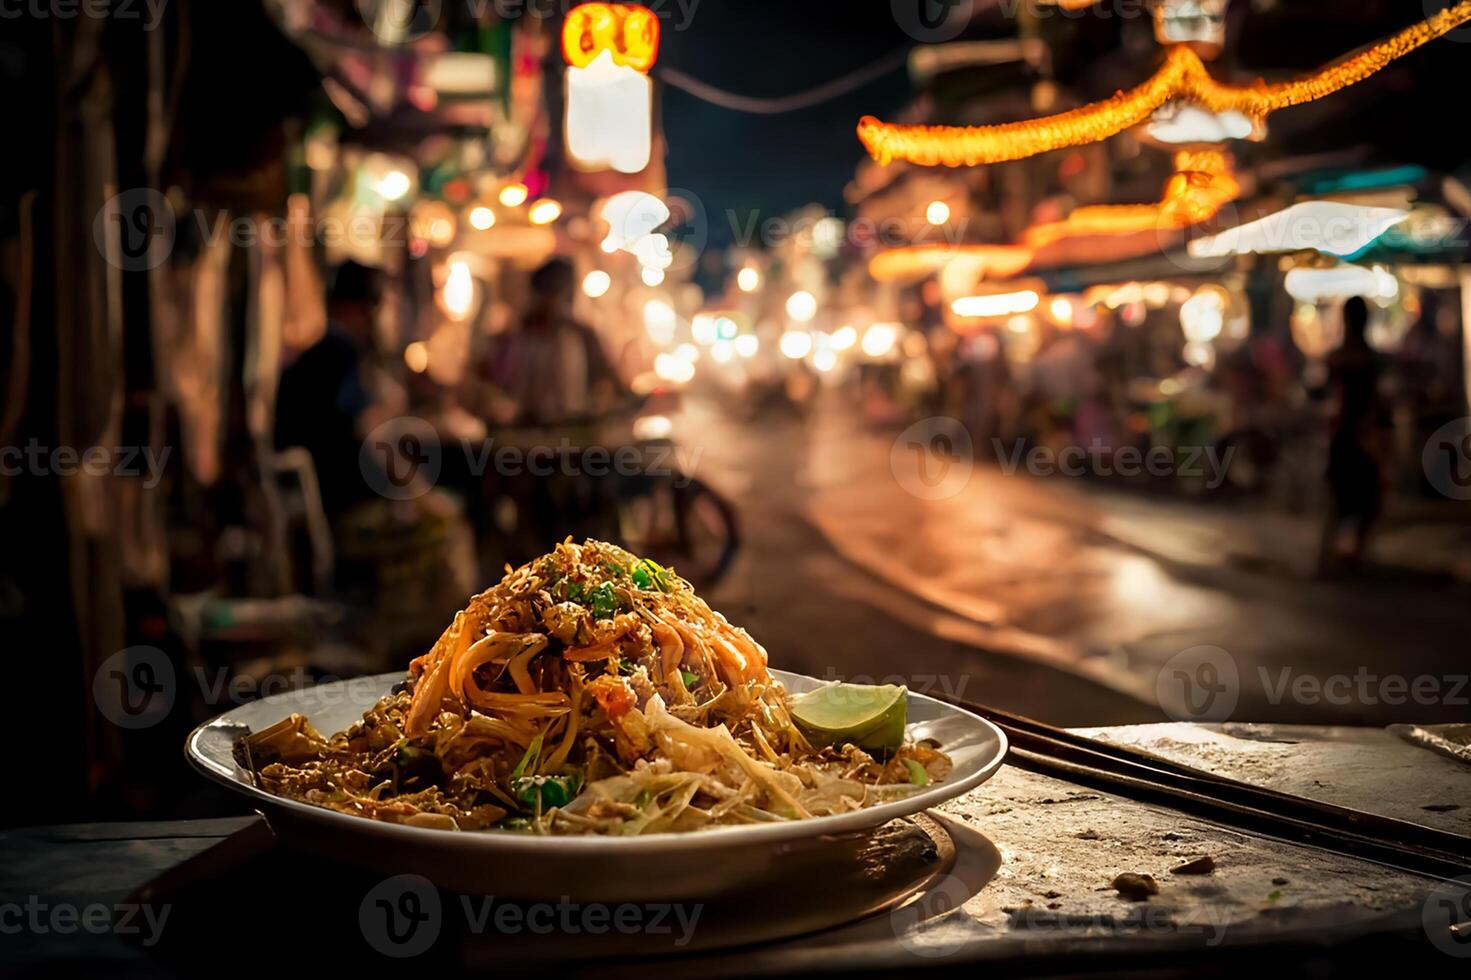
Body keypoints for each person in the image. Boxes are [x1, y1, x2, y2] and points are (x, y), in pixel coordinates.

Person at [275, 260, 379, 515]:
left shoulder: (315, 337)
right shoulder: (338, 343)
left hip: (302, 472)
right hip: (332, 479)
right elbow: (362, 422)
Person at [482, 257, 624, 426]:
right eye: (550, 293)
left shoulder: (582, 335)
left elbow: (608, 379)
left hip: (572, 431)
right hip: (524, 431)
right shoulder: (516, 336)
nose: (555, 302)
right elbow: (493, 382)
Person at [1317, 296, 1384, 575]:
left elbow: (1324, 393)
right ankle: (1351, 555)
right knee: (1365, 500)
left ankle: (1328, 558)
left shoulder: (1339, 358)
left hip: (1345, 436)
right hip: (1363, 437)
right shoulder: (1371, 358)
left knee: (1340, 499)